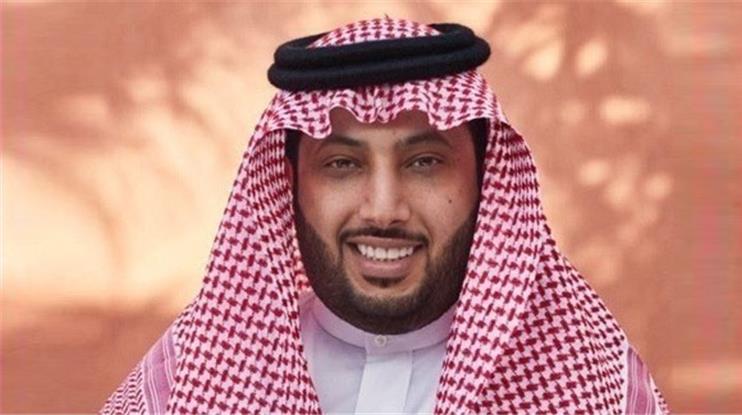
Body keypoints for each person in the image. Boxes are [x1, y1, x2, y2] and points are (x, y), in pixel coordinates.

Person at [102, 18, 668, 414]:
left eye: (424, 162)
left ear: (485, 182)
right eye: (342, 164)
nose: (383, 209)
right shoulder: (189, 379)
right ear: (291, 185)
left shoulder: (591, 384)